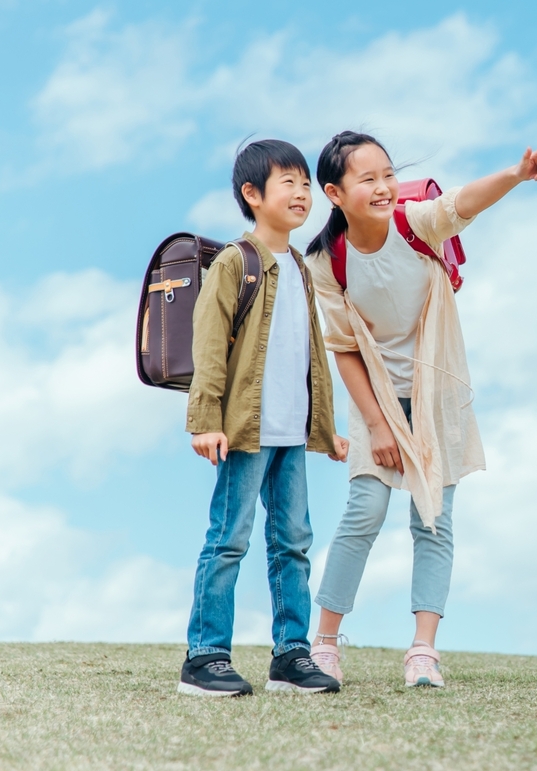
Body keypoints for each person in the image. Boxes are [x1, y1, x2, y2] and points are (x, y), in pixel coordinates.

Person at [304, 130, 537, 688]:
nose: (383, 187)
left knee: (433, 520)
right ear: (335, 193)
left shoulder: (414, 223)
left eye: (388, 175)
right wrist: (377, 425)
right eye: (367, 179)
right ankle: (324, 644)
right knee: (364, 511)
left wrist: (516, 175)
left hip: (435, 392)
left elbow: (462, 202)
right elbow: (343, 347)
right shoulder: (326, 260)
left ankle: (423, 651)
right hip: (377, 398)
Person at [178, 139, 350, 697]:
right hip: (245, 431)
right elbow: (209, 345)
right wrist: (205, 419)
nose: (301, 193)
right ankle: (205, 657)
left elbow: (312, 355)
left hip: (292, 432)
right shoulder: (236, 261)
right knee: (229, 539)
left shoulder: (299, 267)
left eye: (306, 184)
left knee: (293, 543)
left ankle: (291, 656)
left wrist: (326, 427)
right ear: (252, 194)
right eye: (288, 182)